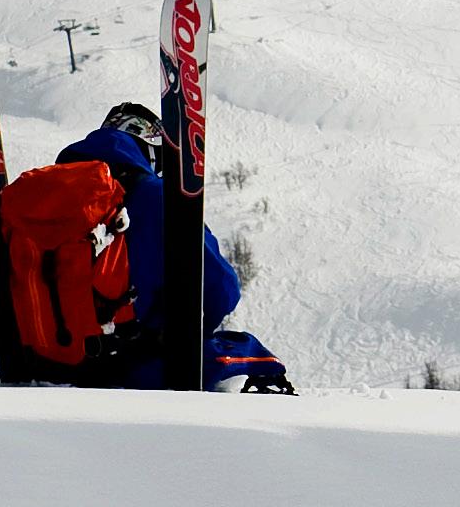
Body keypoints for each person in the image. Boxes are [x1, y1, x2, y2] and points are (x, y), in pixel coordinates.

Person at [53, 103, 289, 391]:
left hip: (47, 363)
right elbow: (221, 288)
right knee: (247, 352)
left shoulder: (42, 199)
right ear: (150, 150)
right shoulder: (158, 197)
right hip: (129, 367)